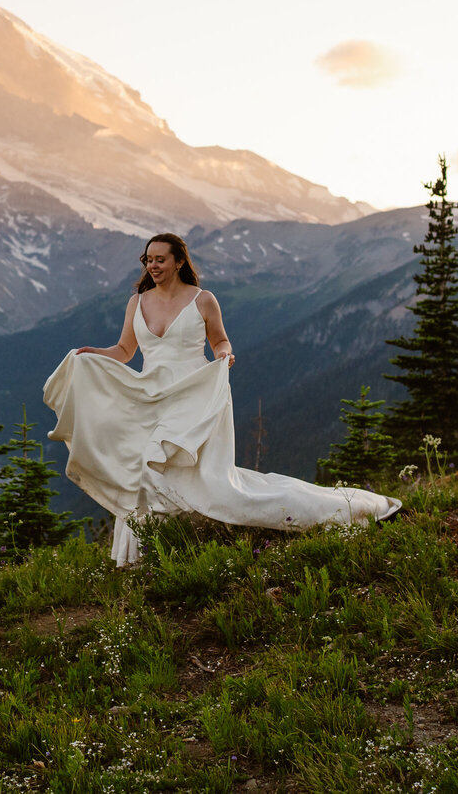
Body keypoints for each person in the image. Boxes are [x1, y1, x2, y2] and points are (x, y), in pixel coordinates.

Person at [43, 233, 401, 566]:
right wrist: (92, 356)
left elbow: (220, 341)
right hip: (151, 396)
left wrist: (223, 356)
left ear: (179, 262)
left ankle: (343, 510)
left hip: (196, 394)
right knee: (147, 473)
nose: (152, 266)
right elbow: (124, 350)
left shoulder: (202, 300)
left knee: (193, 479)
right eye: (148, 260)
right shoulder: (137, 302)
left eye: (160, 260)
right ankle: (147, 556)